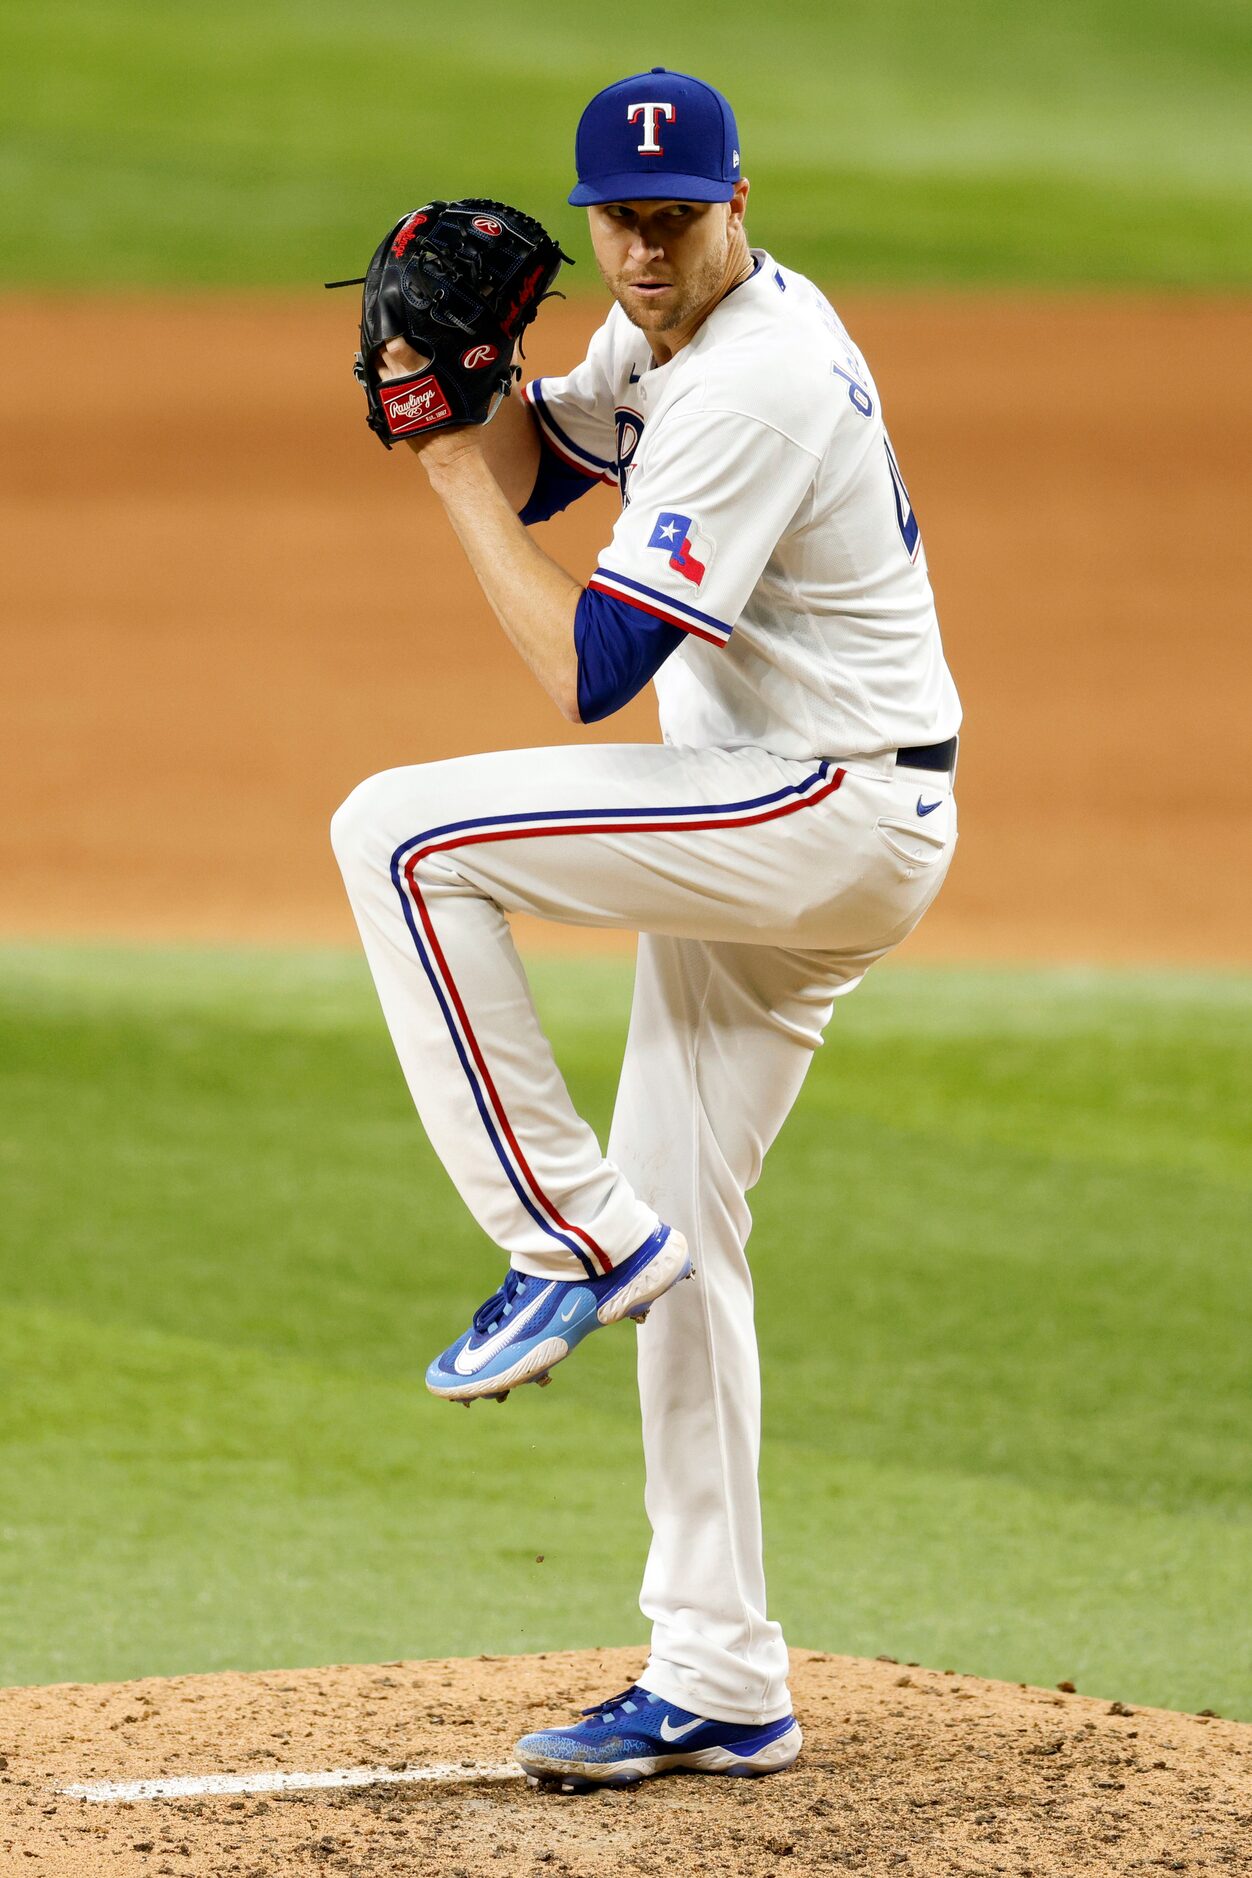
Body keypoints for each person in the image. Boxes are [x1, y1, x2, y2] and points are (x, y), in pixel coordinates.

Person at [330, 66, 961, 1790]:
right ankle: (720, 1672)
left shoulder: (754, 379)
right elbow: (560, 463)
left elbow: (591, 669)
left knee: (395, 835)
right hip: (798, 809)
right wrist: (459, 395)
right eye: (618, 217)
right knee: (689, 1226)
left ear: (738, 204)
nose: (641, 249)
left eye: (674, 220)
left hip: (820, 809)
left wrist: (446, 468)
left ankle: (563, 1235)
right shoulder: (678, 333)